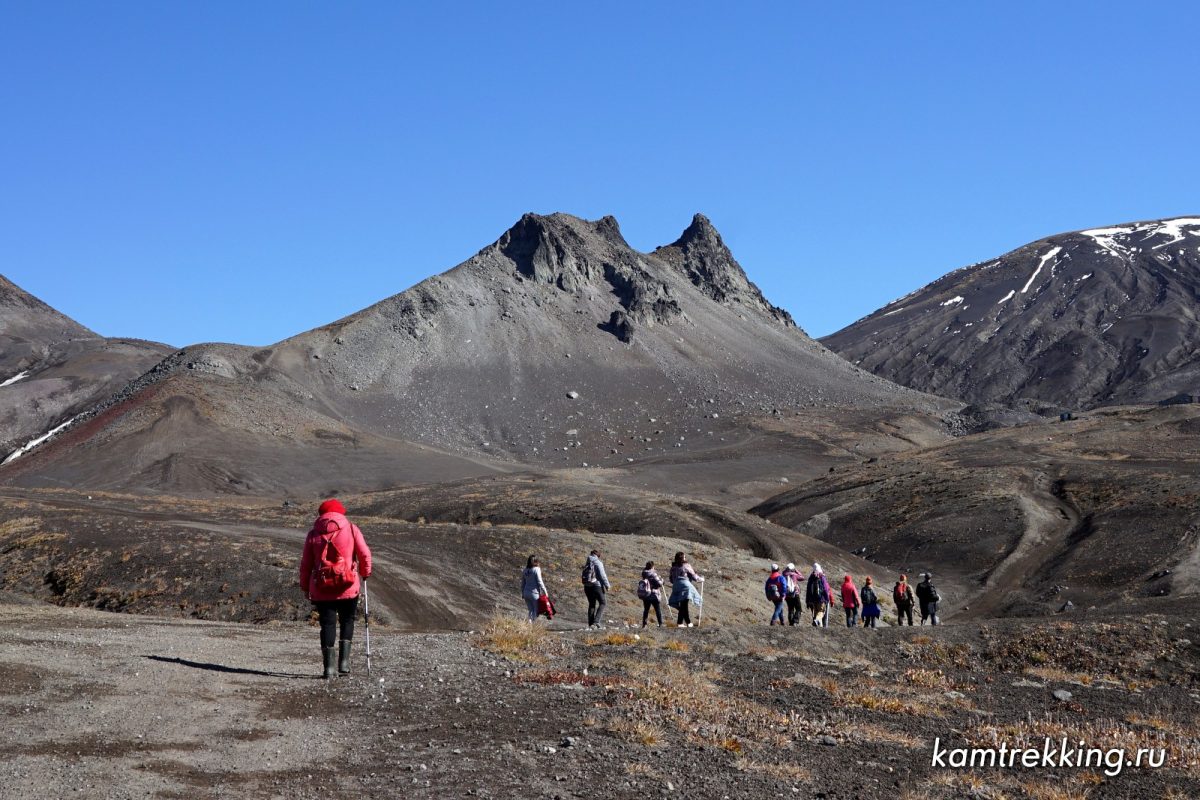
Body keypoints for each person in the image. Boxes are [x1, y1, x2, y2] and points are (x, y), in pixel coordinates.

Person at [298, 498, 372, 679]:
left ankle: (329, 668)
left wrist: (304, 586)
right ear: (340, 513)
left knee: (327, 624)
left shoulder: (313, 534)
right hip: (347, 585)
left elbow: (306, 564)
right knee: (348, 620)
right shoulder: (352, 528)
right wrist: (365, 572)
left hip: (322, 588)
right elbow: (364, 553)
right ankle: (344, 664)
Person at [668, 551, 703, 627]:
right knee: (684, 604)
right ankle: (680, 623)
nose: (685, 558)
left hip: (676, 586)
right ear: (682, 558)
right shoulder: (686, 566)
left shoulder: (673, 568)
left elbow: (671, 580)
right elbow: (694, 576)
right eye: (684, 557)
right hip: (685, 585)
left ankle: (688, 622)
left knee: (683, 604)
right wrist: (701, 579)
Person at [581, 549, 611, 628]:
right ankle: (596, 622)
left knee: (591, 604)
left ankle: (591, 624)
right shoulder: (598, 562)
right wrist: (607, 585)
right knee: (603, 602)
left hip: (587, 586)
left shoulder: (588, 561)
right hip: (596, 585)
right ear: (598, 555)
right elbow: (602, 575)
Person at [521, 555, 548, 623]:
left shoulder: (525, 570)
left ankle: (529, 624)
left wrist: (522, 593)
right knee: (536, 610)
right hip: (534, 593)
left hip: (526, 592)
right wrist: (545, 591)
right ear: (536, 561)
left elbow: (523, 583)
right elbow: (539, 581)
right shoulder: (536, 569)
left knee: (530, 610)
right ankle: (533, 626)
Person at [638, 561, 664, 627]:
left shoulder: (644, 573)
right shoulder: (653, 574)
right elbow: (659, 584)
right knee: (657, 609)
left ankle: (644, 624)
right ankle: (660, 623)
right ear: (652, 566)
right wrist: (662, 580)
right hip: (654, 594)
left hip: (646, 594)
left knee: (646, 609)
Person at [805, 562, 831, 627]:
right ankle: (817, 620)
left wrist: (807, 601)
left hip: (813, 599)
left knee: (816, 612)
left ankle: (819, 627)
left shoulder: (811, 577)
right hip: (821, 598)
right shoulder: (822, 577)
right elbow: (825, 588)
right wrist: (827, 598)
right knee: (821, 611)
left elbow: (808, 590)